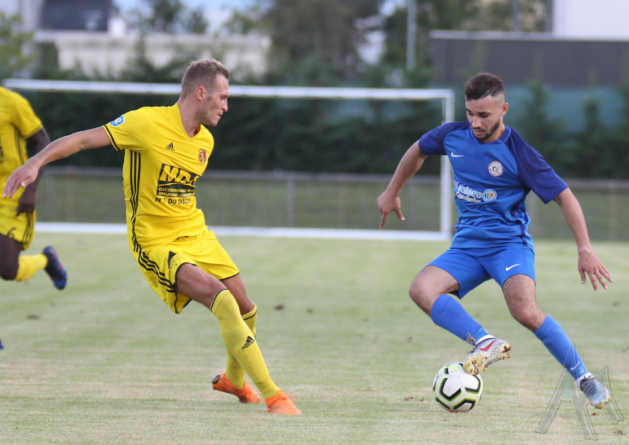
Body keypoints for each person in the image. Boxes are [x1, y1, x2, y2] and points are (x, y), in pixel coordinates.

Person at [3, 59, 301, 415]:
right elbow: (81, 139)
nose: (226, 106)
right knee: (219, 299)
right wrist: (35, 162)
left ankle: (234, 381)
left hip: (195, 233)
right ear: (200, 93)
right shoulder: (145, 122)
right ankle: (274, 397)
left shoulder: (205, 140)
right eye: (222, 97)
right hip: (155, 241)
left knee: (246, 307)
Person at [377, 73, 613, 409]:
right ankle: (485, 342)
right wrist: (392, 190)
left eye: (484, 115)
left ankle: (585, 378)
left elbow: (566, 197)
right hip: (468, 247)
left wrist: (585, 249)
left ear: (503, 109)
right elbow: (417, 151)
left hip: (508, 246)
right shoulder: (453, 136)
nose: (474, 122)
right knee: (421, 290)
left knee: (526, 312)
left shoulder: (520, 154)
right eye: (470, 113)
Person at [0, 86, 67, 294]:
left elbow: (42, 141)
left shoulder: (11, 102)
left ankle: (46, 260)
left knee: (7, 269)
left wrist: (30, 189)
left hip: (12, 195)